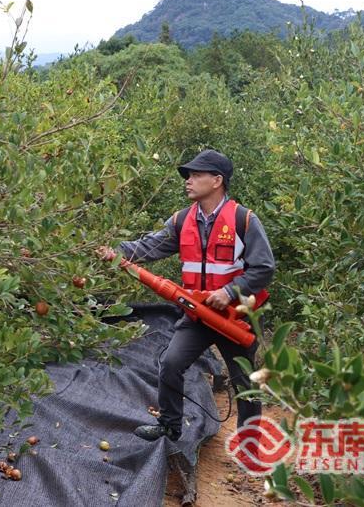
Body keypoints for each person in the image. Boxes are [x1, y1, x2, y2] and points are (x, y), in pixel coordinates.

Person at [96, 149, 275, 442]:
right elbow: (146, 248)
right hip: (197, 314)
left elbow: (264, 268)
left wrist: (229, 292)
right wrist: (113, 251)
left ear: (217, 180)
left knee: (244, 381)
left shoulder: (243, 220)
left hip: (236, 318)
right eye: (188, 176)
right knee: (171, 363)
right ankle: (170, 426)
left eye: (196, 175)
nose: (188, 181)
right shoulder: (181, 221)